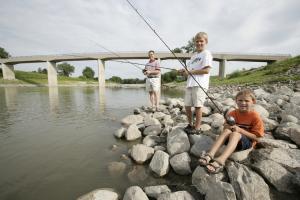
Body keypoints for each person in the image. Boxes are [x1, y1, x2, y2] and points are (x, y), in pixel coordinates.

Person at [199, 89, 264, 174]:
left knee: (235, 134)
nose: (243, 103)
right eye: (240, 100)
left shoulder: (255, 117)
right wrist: (227, 126)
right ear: (236, 101)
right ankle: (209, 155)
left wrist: (240, 130)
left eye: (246, 101)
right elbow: (225, 128)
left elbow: (258, 138)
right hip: (231, 140)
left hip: (246, 142)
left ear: (253, 102)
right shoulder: (233, 113)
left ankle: (220, 161)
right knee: (226, 131)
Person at [178, 32, 213, 134]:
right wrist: (183, 71)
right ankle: (190, 124)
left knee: (198, 106)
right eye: (197, 41)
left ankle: (197, 128)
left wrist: (190, 72)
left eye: (201, 41)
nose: (199, 43)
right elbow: (188, 70)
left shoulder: (207, 54)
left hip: (200, 84)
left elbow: (206, 70)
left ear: (206, 42)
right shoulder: (193, 56)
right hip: (190, 84)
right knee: (187, 105)